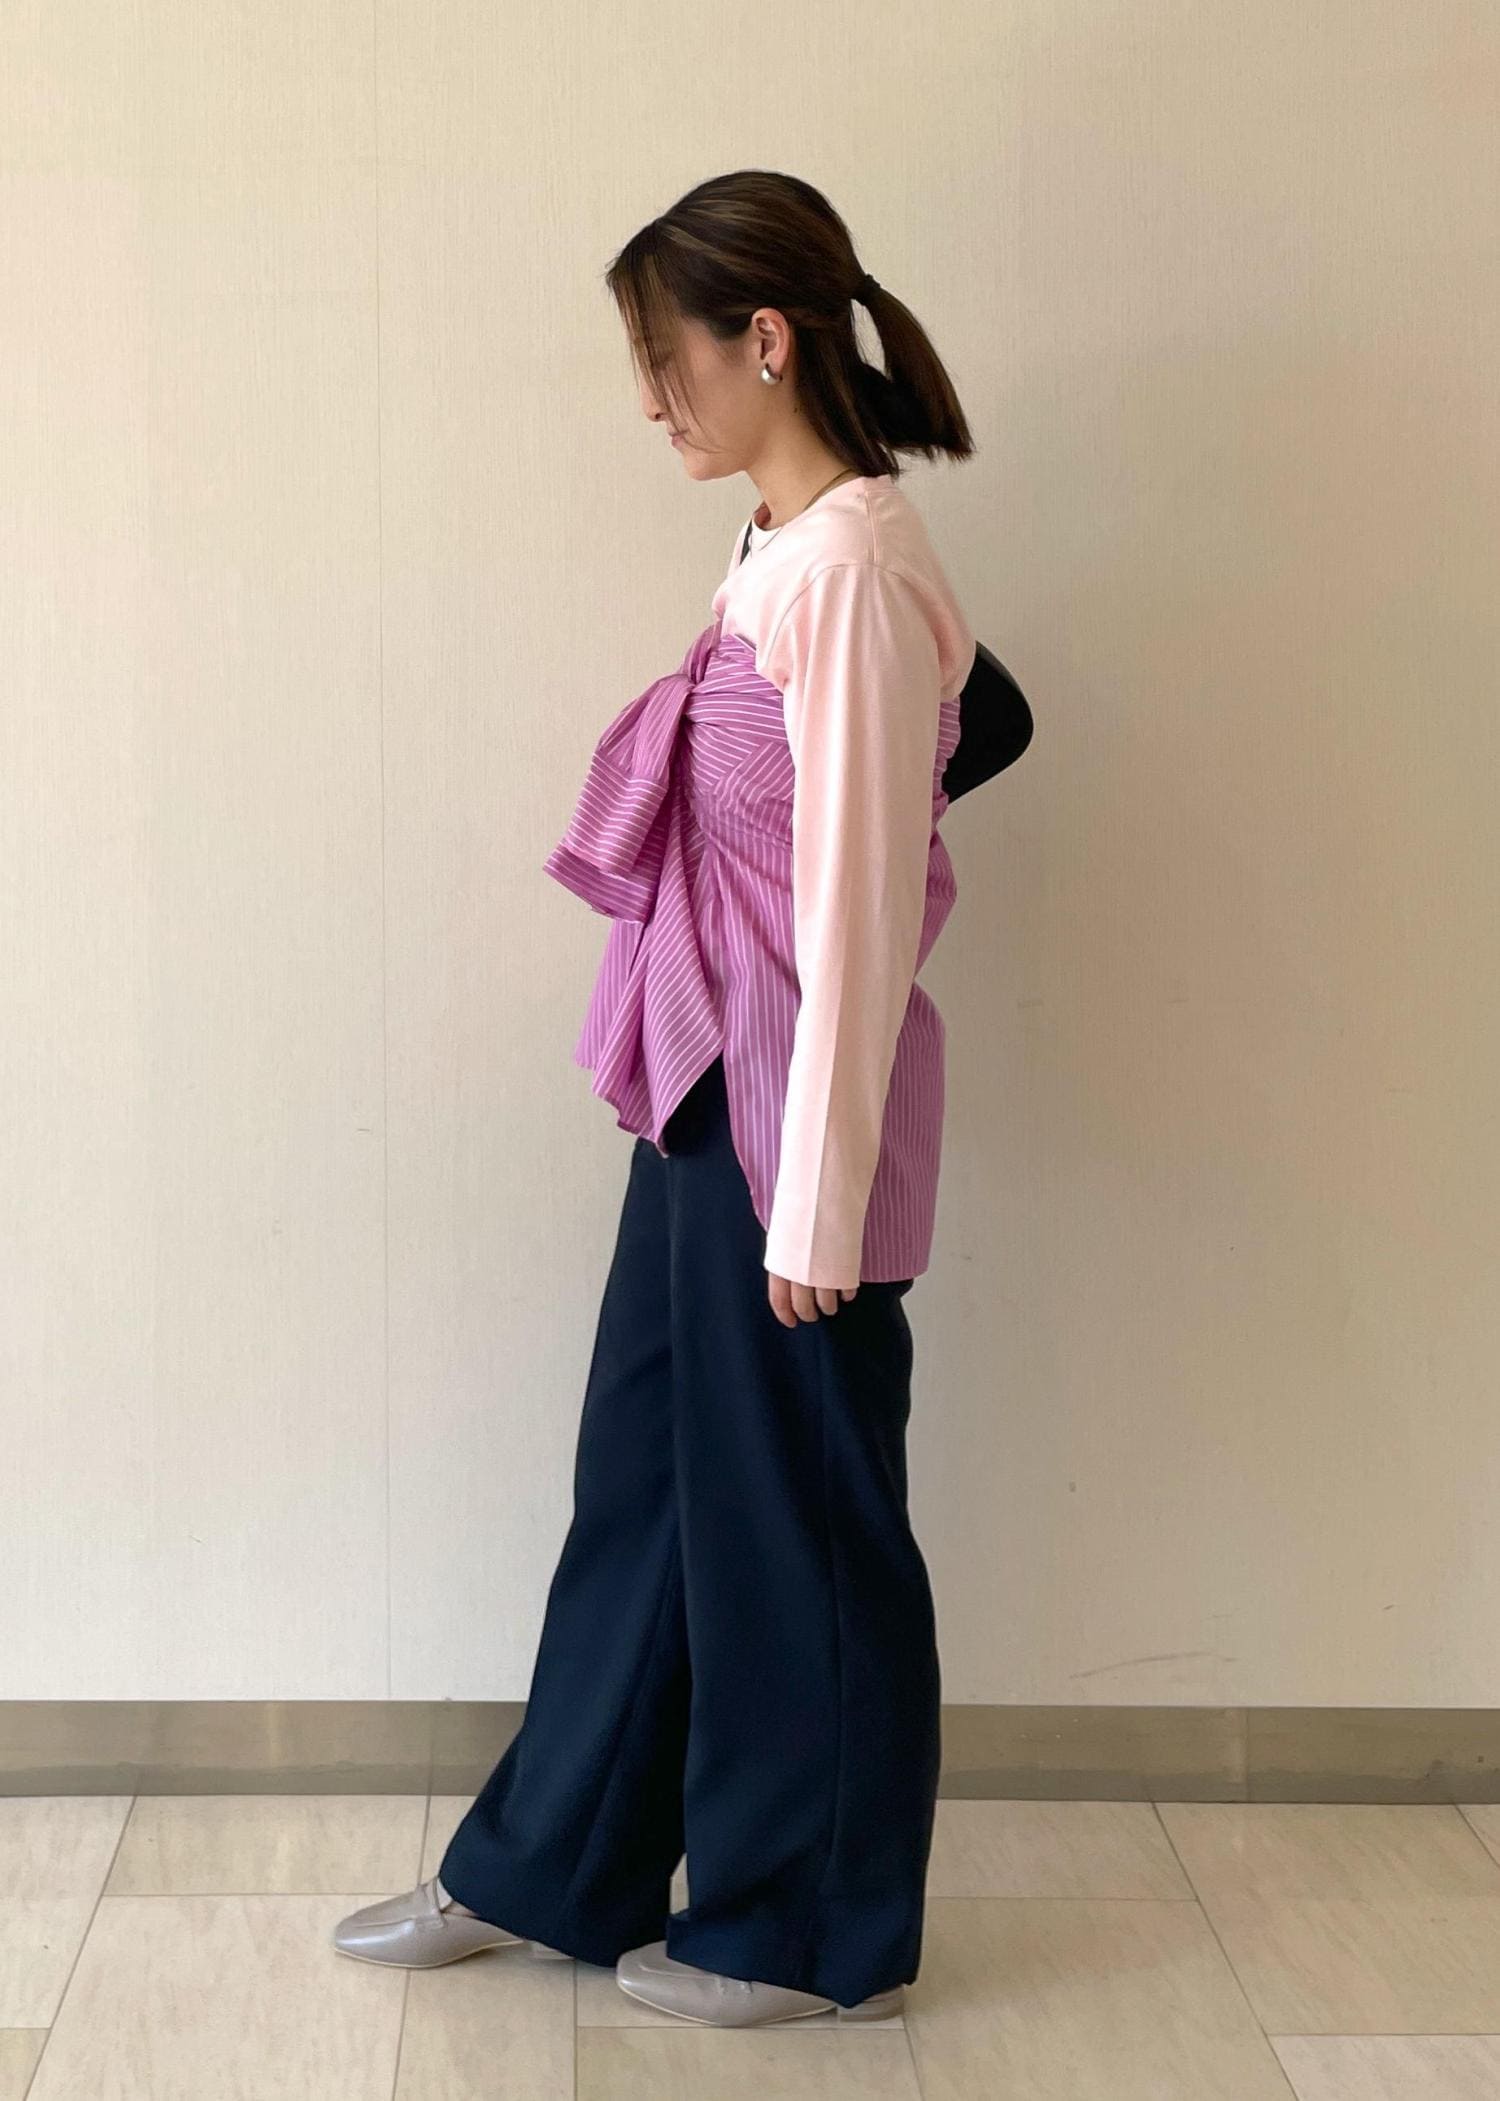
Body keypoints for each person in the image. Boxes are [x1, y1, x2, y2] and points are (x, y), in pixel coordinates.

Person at [334, 167, 981, 2028]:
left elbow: (858, 912)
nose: (649, 401)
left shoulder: (851, 569)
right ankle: (552, 1863)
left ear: (765, 340)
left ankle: (806, 1930)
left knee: (800, 1520)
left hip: (792, 1128)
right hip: (707, 1087)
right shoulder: (780, 548)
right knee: (646, 1486)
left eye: (664, 358)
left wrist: (820, 1202)